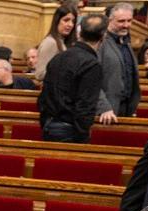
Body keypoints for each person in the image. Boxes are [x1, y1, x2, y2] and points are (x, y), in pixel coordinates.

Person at [39, 14, 106, 143]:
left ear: (79, 31)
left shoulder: (59, 57)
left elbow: (44, 96)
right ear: (103, 36)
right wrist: (83, 135)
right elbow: (85, 106)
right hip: (70, 130)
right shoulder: (91, 64)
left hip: (49, 124)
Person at [97, 2, 141, 124]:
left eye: (129, 21)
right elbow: (91, 79)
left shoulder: (126, 42)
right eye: (121, 21)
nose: (126, 25)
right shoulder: (100, 43)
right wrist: (103, 107)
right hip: (106, 112)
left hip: (126, 109)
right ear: (109, 21)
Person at [35, 5, 78, 81]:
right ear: (57, 20)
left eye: (73, 21)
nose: (70, 24)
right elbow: (40, 74)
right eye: (66, 20)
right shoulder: (51, 42)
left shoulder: (63, 41)